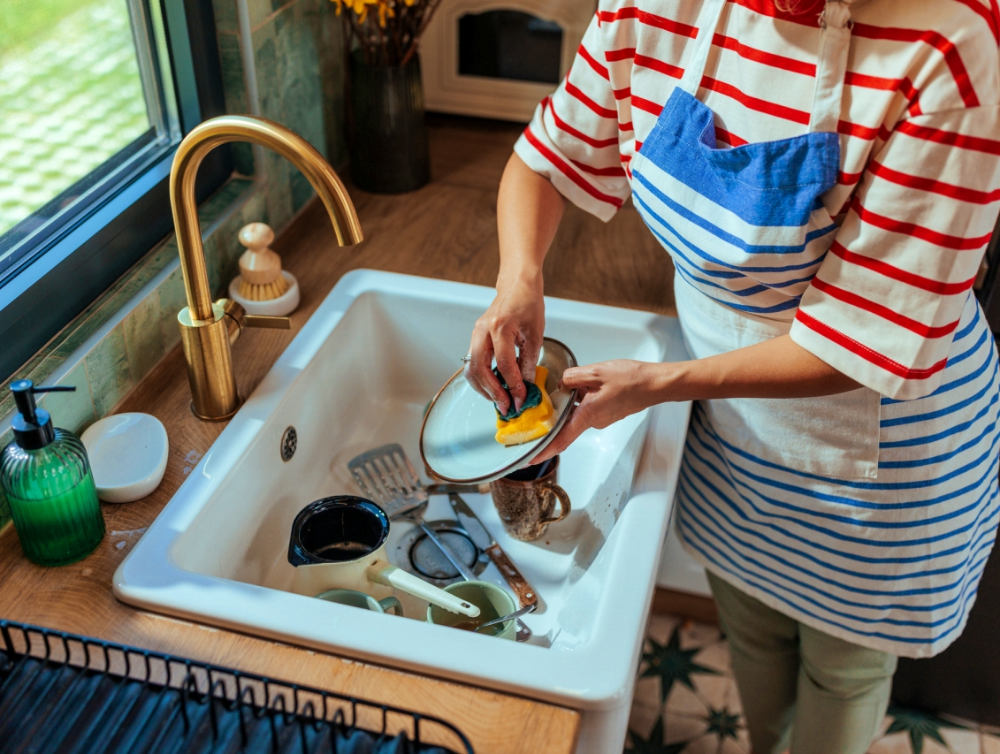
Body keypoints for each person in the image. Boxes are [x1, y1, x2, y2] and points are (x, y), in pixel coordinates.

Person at [463, 0, 1000, 752]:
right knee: (754, 639)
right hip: (725, 435)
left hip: (875, 466)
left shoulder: (946, 49)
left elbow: (864, 341)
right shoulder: (653, 5)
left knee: (841, 674)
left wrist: (659, 384)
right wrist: (518, 279)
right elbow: (549, 156)